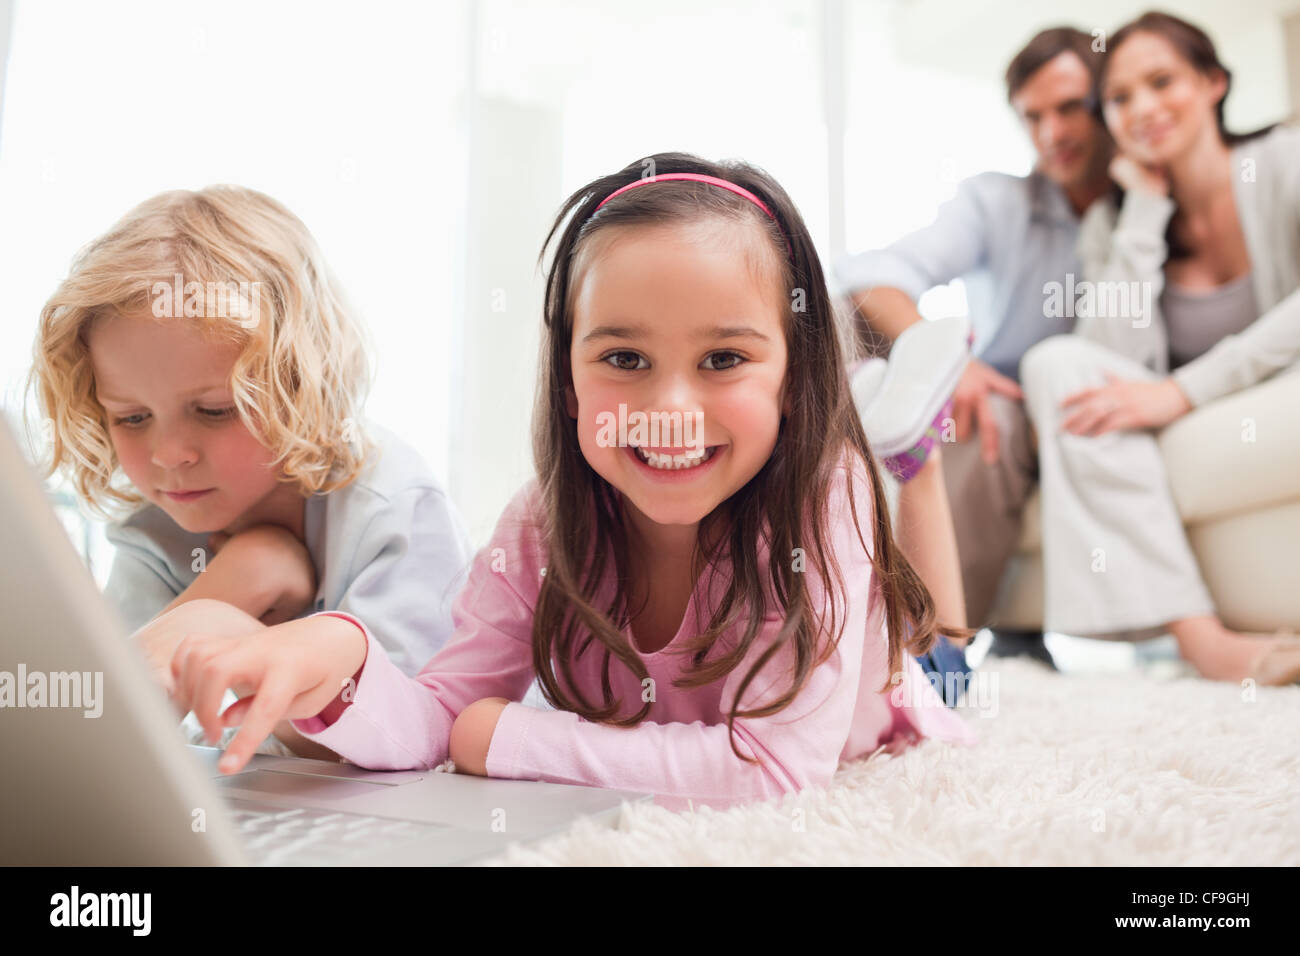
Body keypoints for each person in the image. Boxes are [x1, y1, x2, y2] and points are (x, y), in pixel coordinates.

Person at [164, 154, 977, 811]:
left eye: (723, 360)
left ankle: (911, 456)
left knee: (943, 650)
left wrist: (507, 741)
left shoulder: (819, 498)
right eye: (625, 360)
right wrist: (341, 659)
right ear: (569, 385)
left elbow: (776, 766)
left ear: (794, 383)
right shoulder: (542, 527)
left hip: (898, 687)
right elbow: (437, 720)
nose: (669, 410)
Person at [27, 186, 474, 755]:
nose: (170, 455)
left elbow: (420, 739)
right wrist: (239, 580)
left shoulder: (388, 506)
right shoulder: (155, 529)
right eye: (131, 417)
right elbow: (109, 731)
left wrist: (232, 628)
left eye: (214, 410)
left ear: (297, 382)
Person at [1019, 11, 1300, 684]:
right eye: (1120, 97)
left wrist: (1180, 391)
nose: (1142, 108)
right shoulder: (1109, 222)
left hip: (1259, 390)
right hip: (1182, 411)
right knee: (1054, 363)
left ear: (1213, 82)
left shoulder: (1284, 159)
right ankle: (1200, 638)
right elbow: (1108, 358)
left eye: (1162, 81)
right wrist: (1143, 210)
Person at [834, 26, 1114, 665]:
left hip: (1090, 405)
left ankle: (967, 646)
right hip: (1006, 402)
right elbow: (868, 274)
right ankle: (929, 652)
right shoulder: (998, 201)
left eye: (1070, 107)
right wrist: (952, 365)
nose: (1051, 133)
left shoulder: (1150, 209)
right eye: (1032, 116)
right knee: (988, 417)